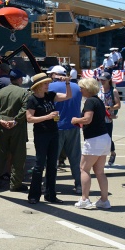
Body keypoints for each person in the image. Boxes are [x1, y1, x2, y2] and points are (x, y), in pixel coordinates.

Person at [26, 72, 74, 204]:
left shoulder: (50, 95)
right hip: (41, 134)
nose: (48, 85)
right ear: (38, 86)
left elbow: (68, 96)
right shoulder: (32, 99)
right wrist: (47, 117)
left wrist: (67, 83)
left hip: (53, 133)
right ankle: (34, 195)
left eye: (48, 83)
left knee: (52, 165)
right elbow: (29, 118)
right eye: (45, 83)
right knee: (39, 165)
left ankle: (50, 195)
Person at [71, 77, 112, 210]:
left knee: (84, 169)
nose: (80, 90)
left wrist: (76, 120)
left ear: (87, 88)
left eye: (82, 88)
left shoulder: (89, 101)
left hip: (94, 139)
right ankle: (104, 200)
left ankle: (85, 199)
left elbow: (87, 119)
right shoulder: (98, 100)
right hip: (104, 137)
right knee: (100, 171)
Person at [0, 69, 31, 191]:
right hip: (17, 127)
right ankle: (15, 183)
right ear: (19, 79)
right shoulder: (24, 93)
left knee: (0, 154)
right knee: (18, 156)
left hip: (2, 126)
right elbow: (25, 108)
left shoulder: (0, 92)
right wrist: (16, 120)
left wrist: (0, 119)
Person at [50, 65, 83, 196]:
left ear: (54, 75)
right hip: (73, 126)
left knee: (52, 158)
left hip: (56, 126)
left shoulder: (50, 87)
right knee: (75, 158)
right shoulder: (77, 87)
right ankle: (79, 185)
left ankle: (49, 185)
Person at [98, 72, 120, 165]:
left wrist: (109, 108)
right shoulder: (99, 89)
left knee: (107, 138)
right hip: (98, 117)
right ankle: (99, 157)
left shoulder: (113, 91)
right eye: (101, 79)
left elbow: (118, 105)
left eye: (104, 80)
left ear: (109, 80)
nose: (102, 81)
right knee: (98, 137)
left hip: (107, 118)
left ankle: (112, 152)